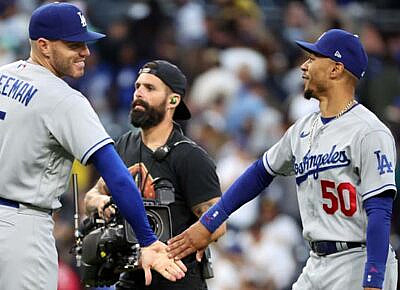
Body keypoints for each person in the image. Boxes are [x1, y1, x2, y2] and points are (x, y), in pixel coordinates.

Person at [167, 29, 398, 290]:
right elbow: (260, 173)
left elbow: (380, 211)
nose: (304, 65)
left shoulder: (369, 131)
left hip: (358, 260)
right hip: (316, 262)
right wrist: (210, 222)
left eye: (313, 59)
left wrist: (374, 281)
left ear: (335, 69)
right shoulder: (302, 129)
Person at [0, 3, 185, 289]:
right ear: (44, 45)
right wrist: (148, 240)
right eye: (74, 45)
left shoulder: (3, 75)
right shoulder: (64, 99)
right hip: (22, 232)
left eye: (85, 43)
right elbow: (118, 177)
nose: (85, 52)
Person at [84, 59, 226, 289]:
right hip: (131, 275)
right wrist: (101, 202)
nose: (139, 93)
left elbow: (217, 222)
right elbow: (91, 196)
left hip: (177, 279)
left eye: (149, 88)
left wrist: (185, 244)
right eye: (137, 86)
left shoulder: (190, 156)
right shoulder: (123, 145)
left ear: (173, 100)